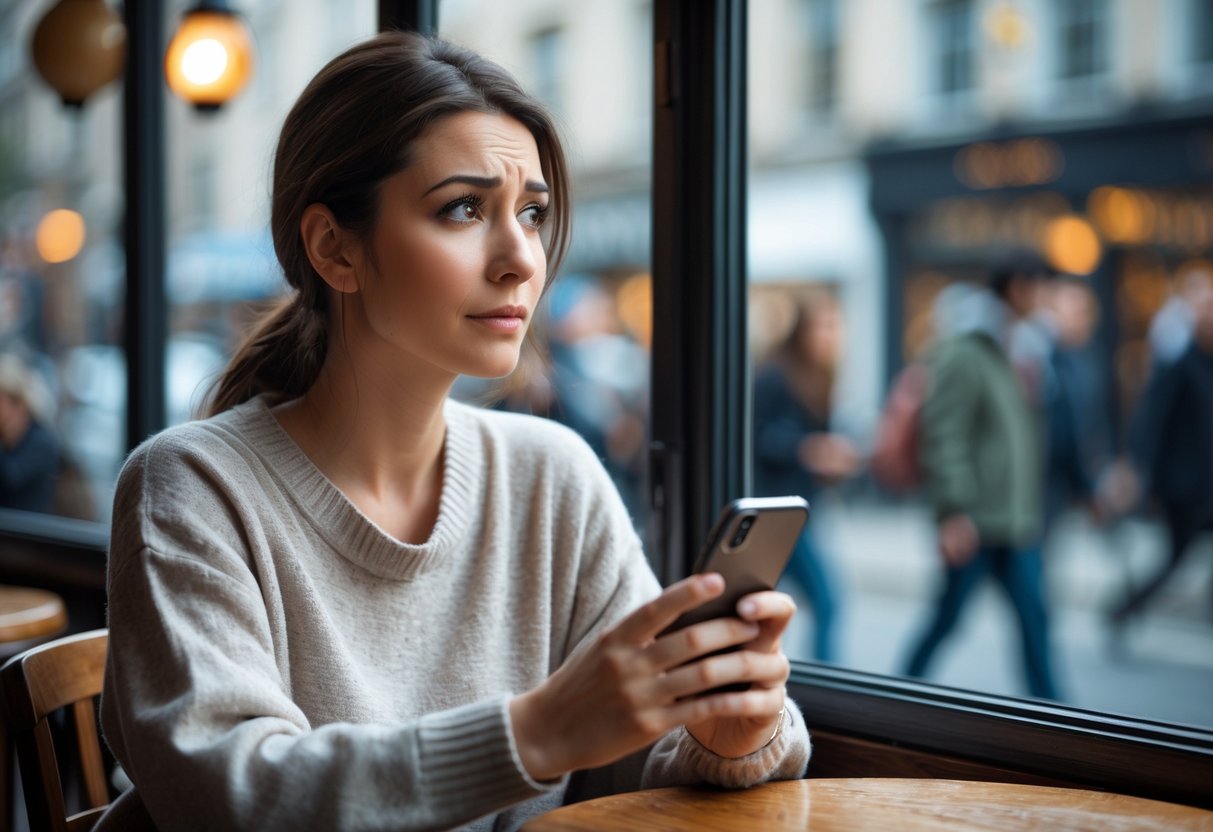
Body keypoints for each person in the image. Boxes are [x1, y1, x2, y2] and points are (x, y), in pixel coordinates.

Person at [97, 32, 809, 832]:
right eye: (463, 209)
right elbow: (232, 797)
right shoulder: (193, 485)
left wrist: (727, 732)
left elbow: (629, 750)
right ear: (335, 248)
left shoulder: (552, 473)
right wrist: (535, 733)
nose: (519, 260)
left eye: (532, 213)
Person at [899, 250, 1060, 700]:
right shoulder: (966, 350)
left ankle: (1056, 718)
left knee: (1034, 619)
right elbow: (945, 434)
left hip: (1013, 519)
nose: (1047, 298)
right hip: (976, 519)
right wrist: (953, 511)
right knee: (946, 619)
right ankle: (899, 693)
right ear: (1018, 288)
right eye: (1042, 286)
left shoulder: (1020, 347)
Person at [752, 294, 859, 663]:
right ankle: (828, 687)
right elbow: (755, 437)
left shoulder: (820, 376)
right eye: (823, 327)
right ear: (802, 331)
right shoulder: (775, 375)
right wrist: (808, 449)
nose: (830, 336)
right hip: (777, 509)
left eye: (835, 327)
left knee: (761, 607)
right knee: (826, 599)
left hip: (802, 508)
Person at [1112, 267, 1213, 629]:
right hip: (1184, 486)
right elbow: (1150, 422)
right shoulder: (1180, 364)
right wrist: (1137, 470)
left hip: (1205, 484)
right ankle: (1123, 608)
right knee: (1175, 559)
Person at [0, 351, 59, 513]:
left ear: (17, 403)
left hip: (27, 533)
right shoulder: (7, 439)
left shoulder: (40, 440)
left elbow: (10, 480)